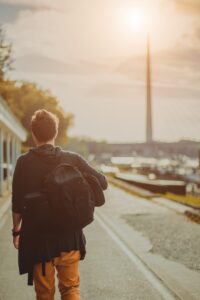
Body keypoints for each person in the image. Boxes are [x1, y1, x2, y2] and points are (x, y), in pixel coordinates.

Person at [12, 109, 108, 300]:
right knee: (70, 289)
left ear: (33, 134)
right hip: (69, 238)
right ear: (55, 132)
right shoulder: (73, 159)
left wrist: (16, 231)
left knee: (45, 294)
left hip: (39, 243)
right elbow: (102, 182)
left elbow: (17, 202)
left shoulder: (24, 163)